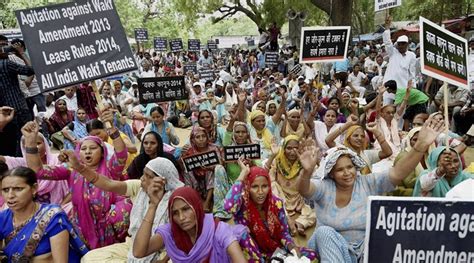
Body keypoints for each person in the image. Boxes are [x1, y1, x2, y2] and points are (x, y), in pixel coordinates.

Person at [297, 115, 445, 262]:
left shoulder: (367, 183)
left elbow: (398, 172)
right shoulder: (325, 187)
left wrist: (420, 146)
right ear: (332, 174)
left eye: (350, 167)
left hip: (363, 249)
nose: (347, 173)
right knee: (324, 233)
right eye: (340, 170)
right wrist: (307, 171)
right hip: (332, 251)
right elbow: (305, 190)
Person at [23, 121, 132, 250]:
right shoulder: (71, 170)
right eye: (83, 149)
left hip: (111, 227)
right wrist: (30, 142)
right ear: (77, 153)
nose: (87, 152)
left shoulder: (110, 169)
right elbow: (37, 170)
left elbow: (121, 156)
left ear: (102, 152)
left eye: (93, 148)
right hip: (83, 225)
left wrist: (113, 132)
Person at [80, 157, 184, 262]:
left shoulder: (176, 201)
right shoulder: (140, 186)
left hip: (164, 252)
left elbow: (178, 238)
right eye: (144, 174)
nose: (142, 178)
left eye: (148, 176)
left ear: (162, 181)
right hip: (133, 243)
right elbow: (108, 184)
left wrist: (164, 259)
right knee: (89, 258)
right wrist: (80, 168)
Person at [224, 163, 317, 261]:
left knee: (311, 255)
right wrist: (243, 174)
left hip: (276, 250)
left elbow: (283, 232)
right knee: (242, 233)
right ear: (247, 187)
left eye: (264, 186)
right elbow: (228, 207)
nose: (260, 192)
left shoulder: (276, 203)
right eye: (254, 186)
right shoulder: (242, 204)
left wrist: (291, 247)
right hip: (254, 253)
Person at [132, 186, 247, 263]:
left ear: (196, 207)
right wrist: (153, 205)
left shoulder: (218, 230)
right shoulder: (170, 233)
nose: (181, 218)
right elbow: (138, 252)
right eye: (175, 213)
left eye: (186, 209)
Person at [0, 167, 88, 262]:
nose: (10, 195)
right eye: (5, 190)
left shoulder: (52, 217)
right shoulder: (3, 218)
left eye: (18, 189)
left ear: (34, 189)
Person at [0, 132, 69, 211]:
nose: (35, 147)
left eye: (38, 143)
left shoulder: (58, 159)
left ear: (45, 144)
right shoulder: (22, 163)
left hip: (60, 206)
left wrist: (61, 207)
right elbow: (3, 159)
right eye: (29, 145)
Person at [267, 135, 316, 236]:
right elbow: (264, 174)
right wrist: (272, 156)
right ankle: (287, 219)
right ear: (284, 149)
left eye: (296, 148)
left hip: (299, 197)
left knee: (315, 211)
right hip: (281, 196)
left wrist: (310, 165)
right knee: (273, 185)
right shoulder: (278, 160)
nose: (292, 151)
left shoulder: (304, 161)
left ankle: (300, 224)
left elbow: (315, 177)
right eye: (289, 148)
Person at [0, 35, 35, 157]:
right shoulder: (6, 63)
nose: (5, 48)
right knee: (27, 140)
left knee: (8, 145)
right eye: (1, 46)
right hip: (19, 109)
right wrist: (21, 54)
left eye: (6, 45)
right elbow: (31, 70)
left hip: (3, 114)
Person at [182, 126, 224, 212]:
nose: (201, 139)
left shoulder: (214, 148)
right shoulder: (189, 151)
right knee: (187, 170)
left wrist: (210, 167)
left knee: (212, 170)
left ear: (207, 137)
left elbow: (221, 165)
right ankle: (195, 198)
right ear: (193, 140)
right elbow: (182, 165)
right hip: (197, 182)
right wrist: (182, 155)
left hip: (212, 182)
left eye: (203, 136)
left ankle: (207, 202)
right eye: (197, 137)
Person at [325, 121, 393, 174]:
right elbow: (328, 140)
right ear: (348, 138)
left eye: (362, 136)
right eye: (355, 135)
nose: (360, 138)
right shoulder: (343, 151)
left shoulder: (366, 154)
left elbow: (388, 152)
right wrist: (347, 125)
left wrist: (376, 132)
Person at [382, 16, 416, 91]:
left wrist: (412, 87)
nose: (401, 46)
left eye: (403, 44)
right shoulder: (393, 52)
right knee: (386, 102)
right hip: (389, 85)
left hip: (402, 87)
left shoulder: (411, 55)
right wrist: (387, 27)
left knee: (400, 103)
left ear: (407, 44)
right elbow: (387, 42)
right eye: (399, 44)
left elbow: (412, 73)